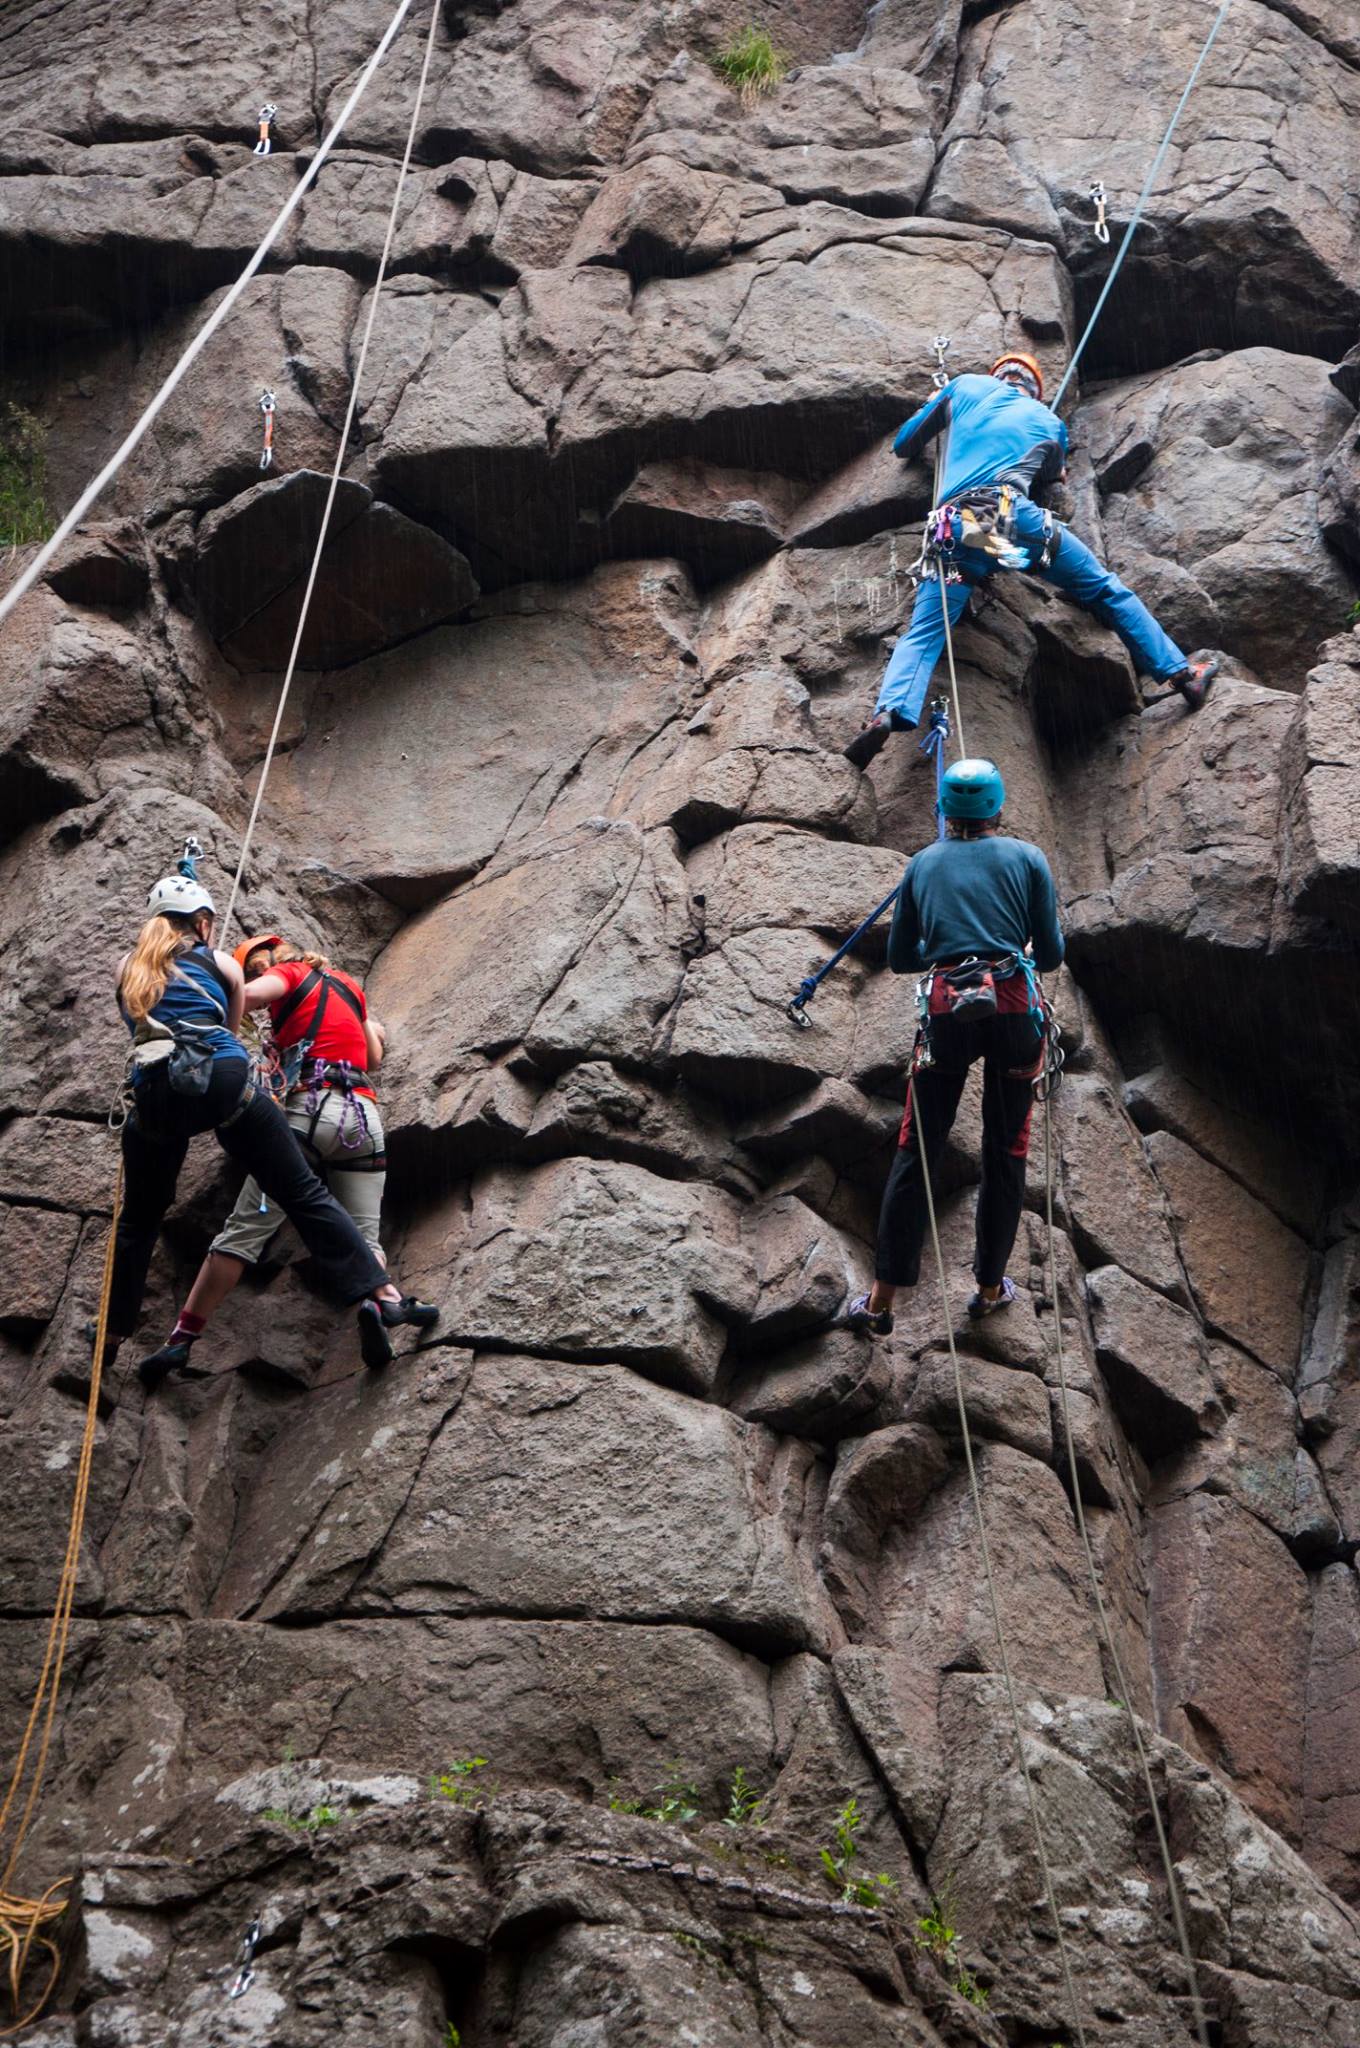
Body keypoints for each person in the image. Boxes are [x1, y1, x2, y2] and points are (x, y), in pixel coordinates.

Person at [107, 861, 415, 1391]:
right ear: (204, 922)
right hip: (346, 1109)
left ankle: (138, 1334)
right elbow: (367, 1052)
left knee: (156, 1222)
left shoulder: (131, 968)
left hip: (179, 1093)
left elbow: (157, 1024)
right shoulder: (340, 984)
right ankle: (381, 1295)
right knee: (313, 1200)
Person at [844, 352, 1219, 768]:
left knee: (926, 631)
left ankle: (886, 714)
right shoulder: (1048, 422)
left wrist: (934, 404)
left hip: (955, 525)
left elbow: (904, 445)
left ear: (997, 374)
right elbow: (1051, 475)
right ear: (1035, 388)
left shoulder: (964, 387)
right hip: (1005, 515)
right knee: (1103, 589)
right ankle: (1183, 675)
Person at [845, 757, 1062, 1331]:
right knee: (1006, 1150)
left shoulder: (921, 865)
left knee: (917, 1151)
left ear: (944, 811)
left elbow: (899, 959)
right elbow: (1055, 951)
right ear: (997, 809)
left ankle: (881, 1301)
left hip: (946, 1012)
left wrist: (949, 952)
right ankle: (990, 1287)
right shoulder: (1027, 859)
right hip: (1015, 1011)